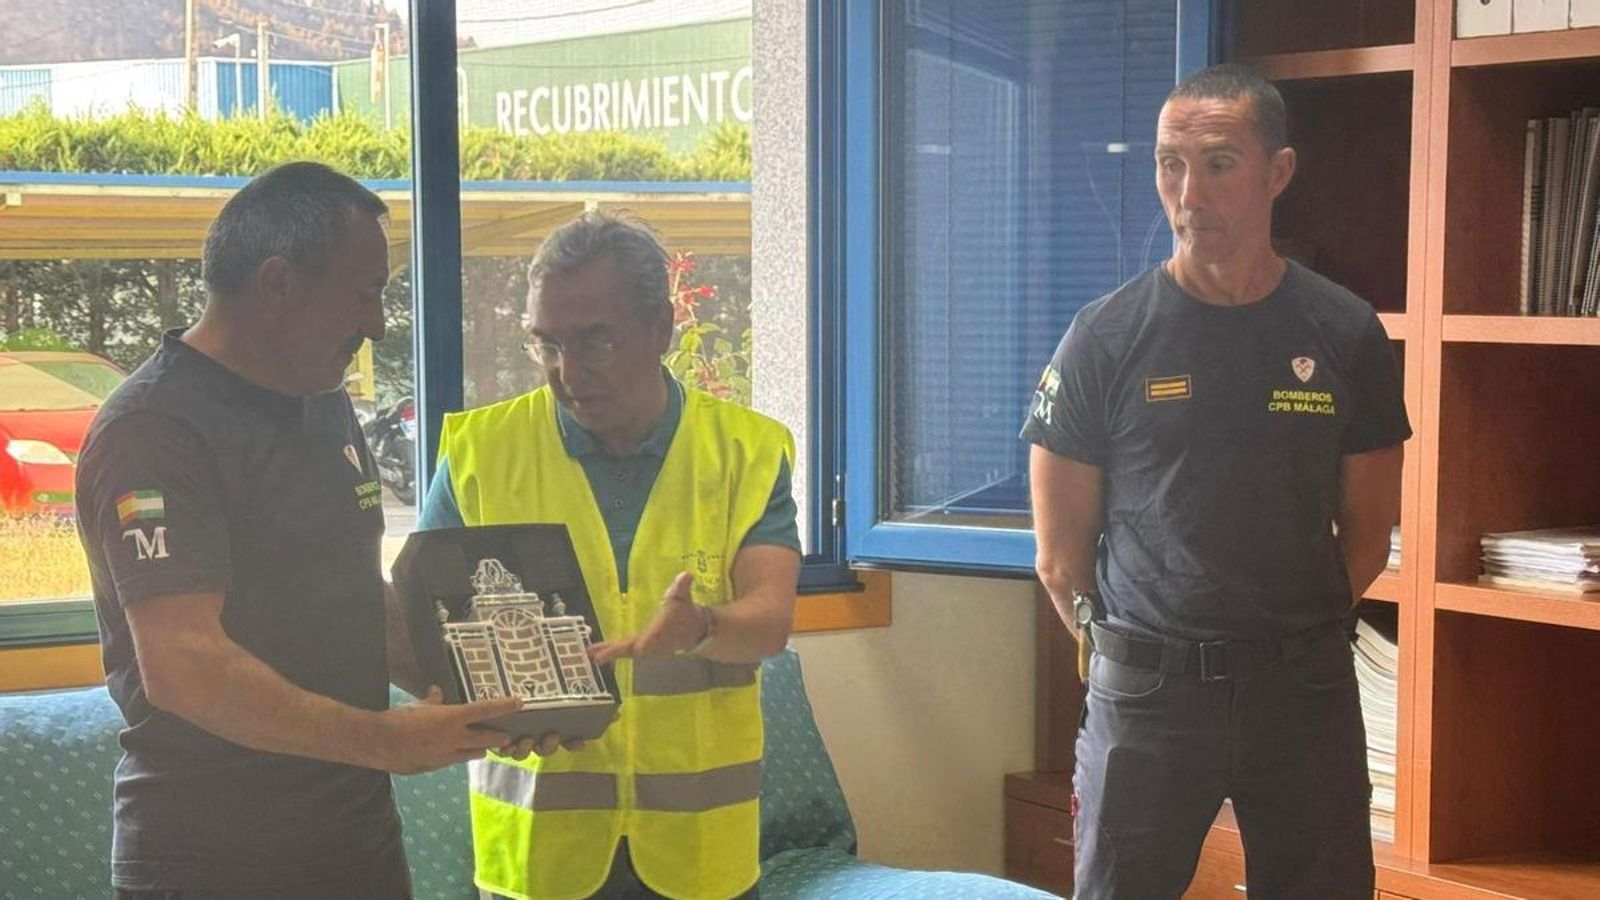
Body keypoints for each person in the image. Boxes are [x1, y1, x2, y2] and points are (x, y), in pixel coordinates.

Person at [74, 161, 524, 900]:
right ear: (279, 284)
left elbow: (353, 593)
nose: (377, 323)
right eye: (365, 294)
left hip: (356, 842)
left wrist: (496, 694)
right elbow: (183, 662)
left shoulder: (322, 401)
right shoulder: (153, 430)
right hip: (210, 861)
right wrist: (384, 740)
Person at [1022, 63, 1410, 898]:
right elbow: (1060, 558)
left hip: (1301, 690)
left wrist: (1279, 637)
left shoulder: (1345, 332)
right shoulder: (1103, 337)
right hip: (1148, 693)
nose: (1188, 192)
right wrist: (1132, 656)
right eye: (1169, 164)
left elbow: (1370, 537)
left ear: (1278, 173)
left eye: (1219, 164)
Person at [417, 209, 801, 900]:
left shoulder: (746, 452)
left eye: (595, 342)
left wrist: (703, 629)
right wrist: (476, 709)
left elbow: (770, 620)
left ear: (661, 329)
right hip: (537, 861)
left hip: (698, 856)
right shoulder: (479, 455)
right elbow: (429, 630)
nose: (568, 373)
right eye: (547, 344)